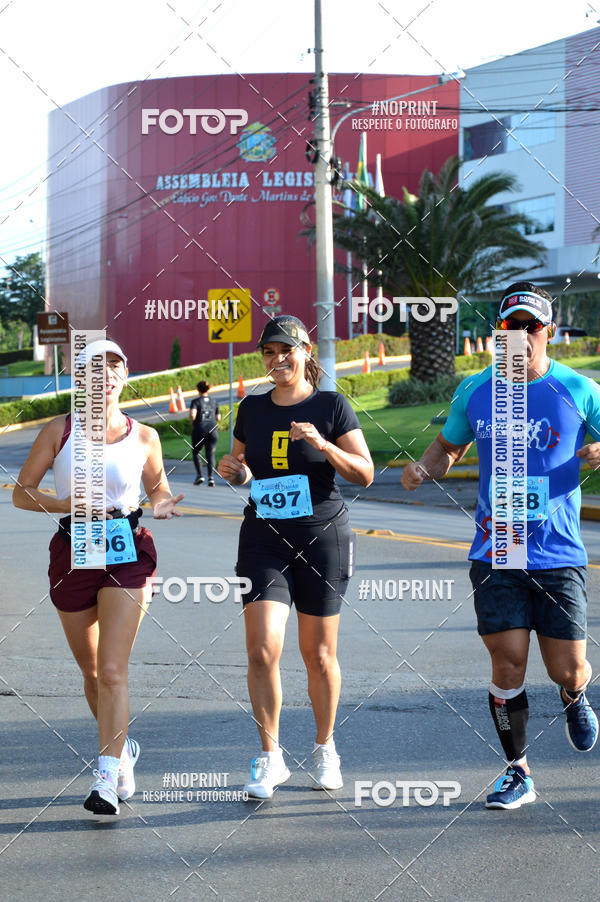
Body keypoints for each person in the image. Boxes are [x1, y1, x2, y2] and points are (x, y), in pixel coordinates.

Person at [402, 281, 600, 810]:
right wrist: (425, 466)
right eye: (508, 327)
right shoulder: (476, 389)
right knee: (508, 663)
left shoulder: (579, 389)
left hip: (558, 551)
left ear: (548, 333)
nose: (518, 336)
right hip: (498, 545)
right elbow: (448, 445)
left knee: (568, 668)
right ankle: (518, 772)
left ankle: (575, 696)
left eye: (529, 327)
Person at [13, 339, 183, 816]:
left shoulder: (144, 436)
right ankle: (122, 749)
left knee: (112, 670)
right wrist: (66, 503)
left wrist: (165, 502)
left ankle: (105, 778)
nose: (105, 375)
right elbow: (22, 494)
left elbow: (158, 487)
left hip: (128, 552)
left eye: (114, 367)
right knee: (90, 671)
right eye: (95, 368)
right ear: (81, 379)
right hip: (72, 549)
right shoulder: (59, 430)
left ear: (125, 376)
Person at [218, 315, 373, 799]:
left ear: (306, 352)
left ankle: (326, 748)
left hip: (321, 538)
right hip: (263, 538)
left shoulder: (331, 405)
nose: (277, 359)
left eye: (287, 350)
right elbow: (243, 471)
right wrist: (233, 472)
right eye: (269, 352)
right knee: (262, 649)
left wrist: (323, 445)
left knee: (319, 654)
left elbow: (364, 474)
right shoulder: (252, 408)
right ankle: (270, 757)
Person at [189, 380, 220, 486]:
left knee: (196, 452)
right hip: (213, 430)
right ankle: (211, 478)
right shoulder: (214, 401)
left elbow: (193, 415)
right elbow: (218, 417)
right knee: (210, 453)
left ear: (198, 390)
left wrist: (193, 423)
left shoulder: (195, 402)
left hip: (200, 429)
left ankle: (200, 475)